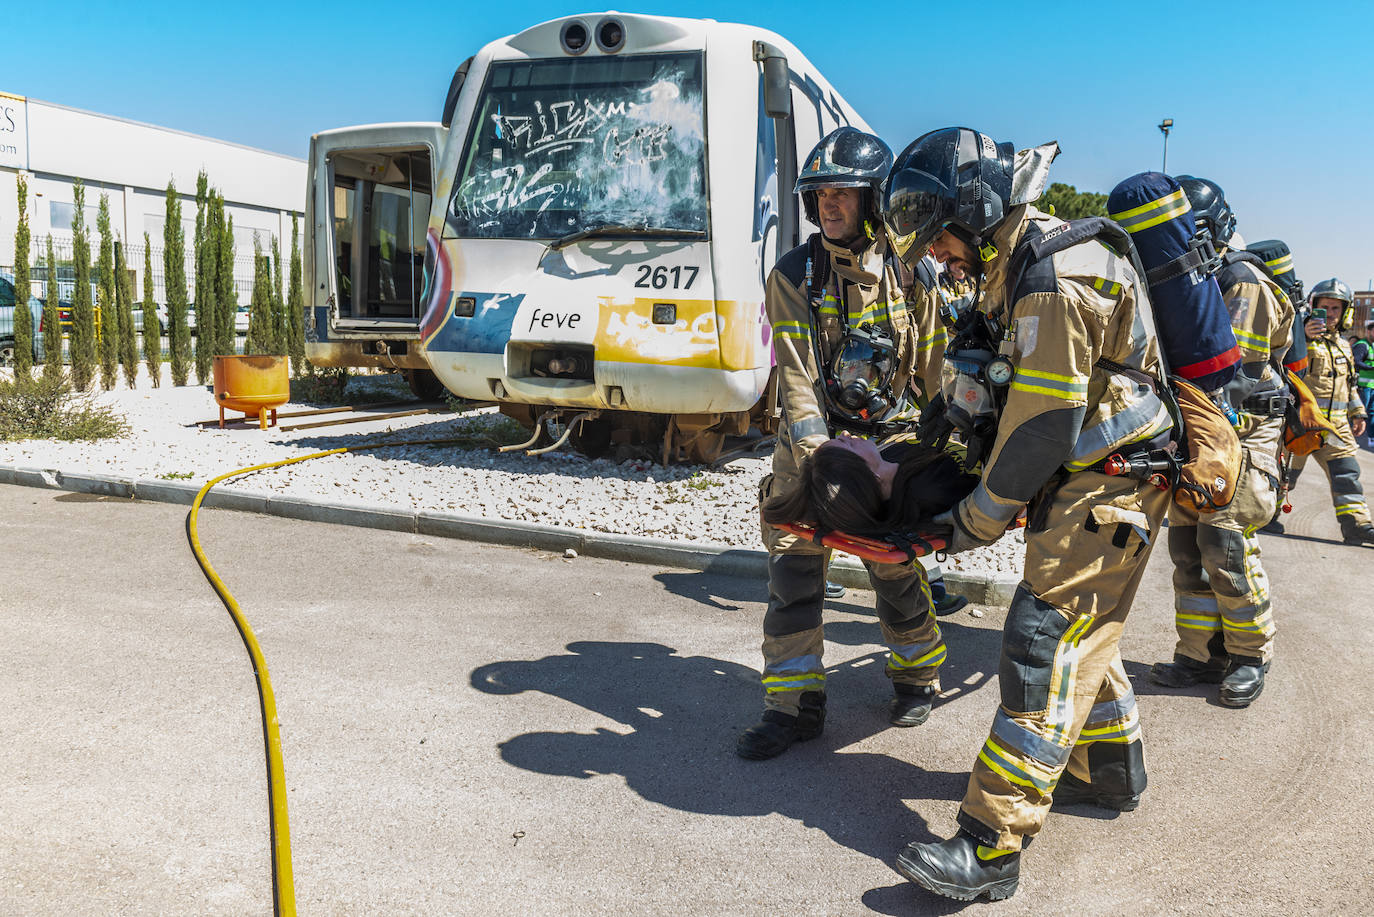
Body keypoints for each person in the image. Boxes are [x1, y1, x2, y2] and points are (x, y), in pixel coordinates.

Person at [881, 128, 1171, 901]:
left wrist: (971, 520)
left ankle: (991, 843)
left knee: (1044, 641)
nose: (938, 254)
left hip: (1107, 482)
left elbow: (1042, 425)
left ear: (974, 211)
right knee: (1085, 629)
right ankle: (1109, 770)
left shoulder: (1052, 280)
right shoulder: (1017, 262)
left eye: (939, 236)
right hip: (1098, 481)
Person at [740, 127, 950, 761]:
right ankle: (792, 707)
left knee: (893, 565)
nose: (830, 205)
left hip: (890, 441)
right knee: (793, 569)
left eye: (845, 193)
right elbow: (798, 377)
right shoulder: (794, 276)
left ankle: (917, 677)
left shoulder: (916, 270)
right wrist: (817, 471)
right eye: (821, 194)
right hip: (813, 444)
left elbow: (937, 364)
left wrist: (944, 449)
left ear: (877, 199)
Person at [1148, 180, 1292, 708]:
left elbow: (1229, 378)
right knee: (1187, 546)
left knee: (1225, 542)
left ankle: (1250, 654)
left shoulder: (1241, 283)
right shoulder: (1193, 285)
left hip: (1245, 429)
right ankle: (1201, 653)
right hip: (1202, 429)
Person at [1286, 279, 1374, 545]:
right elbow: (1286, 367)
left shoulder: (1346, 345)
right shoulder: (1298, 339)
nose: (1331, 313)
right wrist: (1301, 336)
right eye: (1325, 307)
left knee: (1348, 476)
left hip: (1335, 428)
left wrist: (1358, 413)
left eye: (1336, 308)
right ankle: (1265, 516)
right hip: (1301, 425)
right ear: (1314, 307)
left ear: (1345, 311)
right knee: (1283, 478)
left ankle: (1357, 526)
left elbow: (1350, 385)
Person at [1353, 320, 1374, 441]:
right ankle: (1355, 434)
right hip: (1363, 385)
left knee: (1372, 412)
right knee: (1360, 412)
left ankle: (1371, 437)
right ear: (1368, 331)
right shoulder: (1362, 345)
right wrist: (1371, 368)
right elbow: (1356, 361)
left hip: (1371, 385)